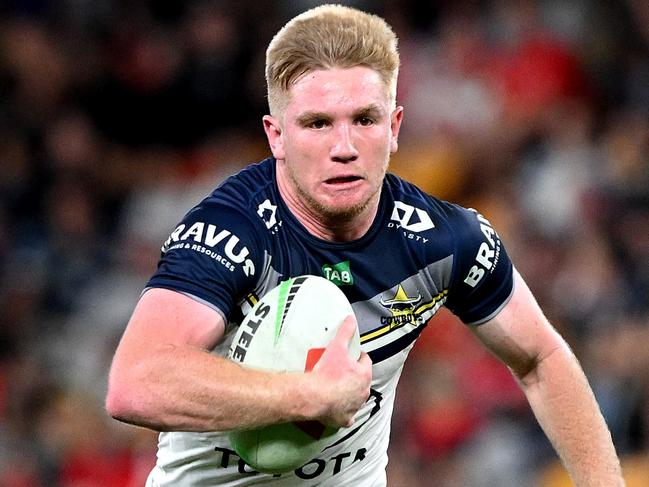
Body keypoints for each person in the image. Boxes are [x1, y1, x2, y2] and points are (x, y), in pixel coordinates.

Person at [106, 5, 624, 486]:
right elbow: (135, 382)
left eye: (365, 119)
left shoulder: (443, 239)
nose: (344, 148)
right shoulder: (232, 231)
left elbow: (540, 358)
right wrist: (309, 397)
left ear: (394, 126)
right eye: (316, 124)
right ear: (276, 136)